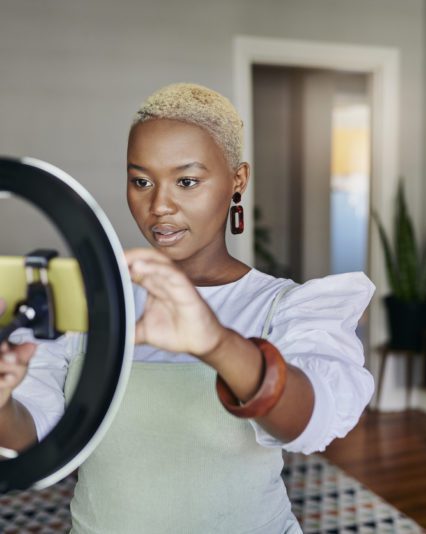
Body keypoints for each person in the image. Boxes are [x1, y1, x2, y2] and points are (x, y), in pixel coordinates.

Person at [0, 83, 375, 533]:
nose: (159, 206)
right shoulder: (89, 302)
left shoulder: (285, 306)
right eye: (141, 181)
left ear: (238, 179)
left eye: (187, 181)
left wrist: (215, 343)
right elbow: (32, 435)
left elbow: (312, 422)